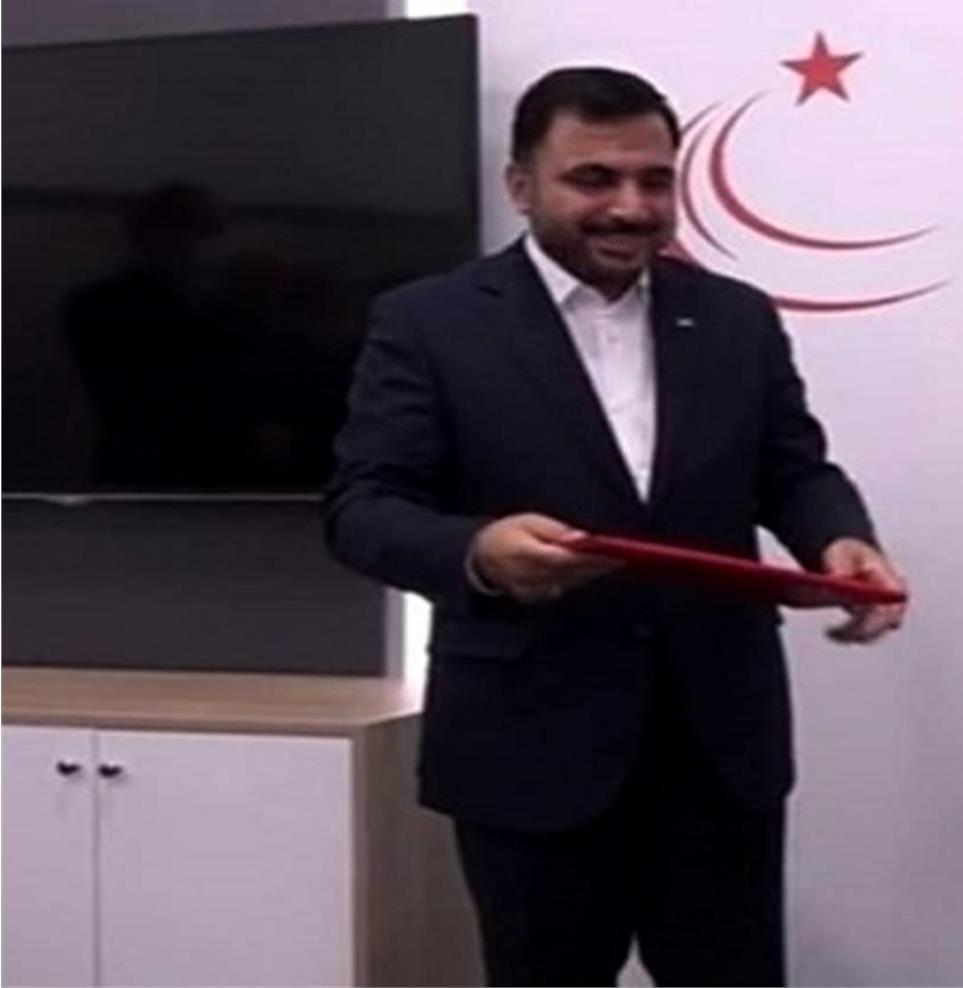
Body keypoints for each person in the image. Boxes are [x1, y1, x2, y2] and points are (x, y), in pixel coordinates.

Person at [325, 66, 907, 986]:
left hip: (719, 746)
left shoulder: (736, 318)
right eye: (593, 179)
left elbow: (794, 470)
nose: (631, 207)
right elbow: (364, 510)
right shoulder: (428, 323)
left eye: (654, 180)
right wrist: (478, 553)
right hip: (528, 750)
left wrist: (839, 538)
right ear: (522, 186)